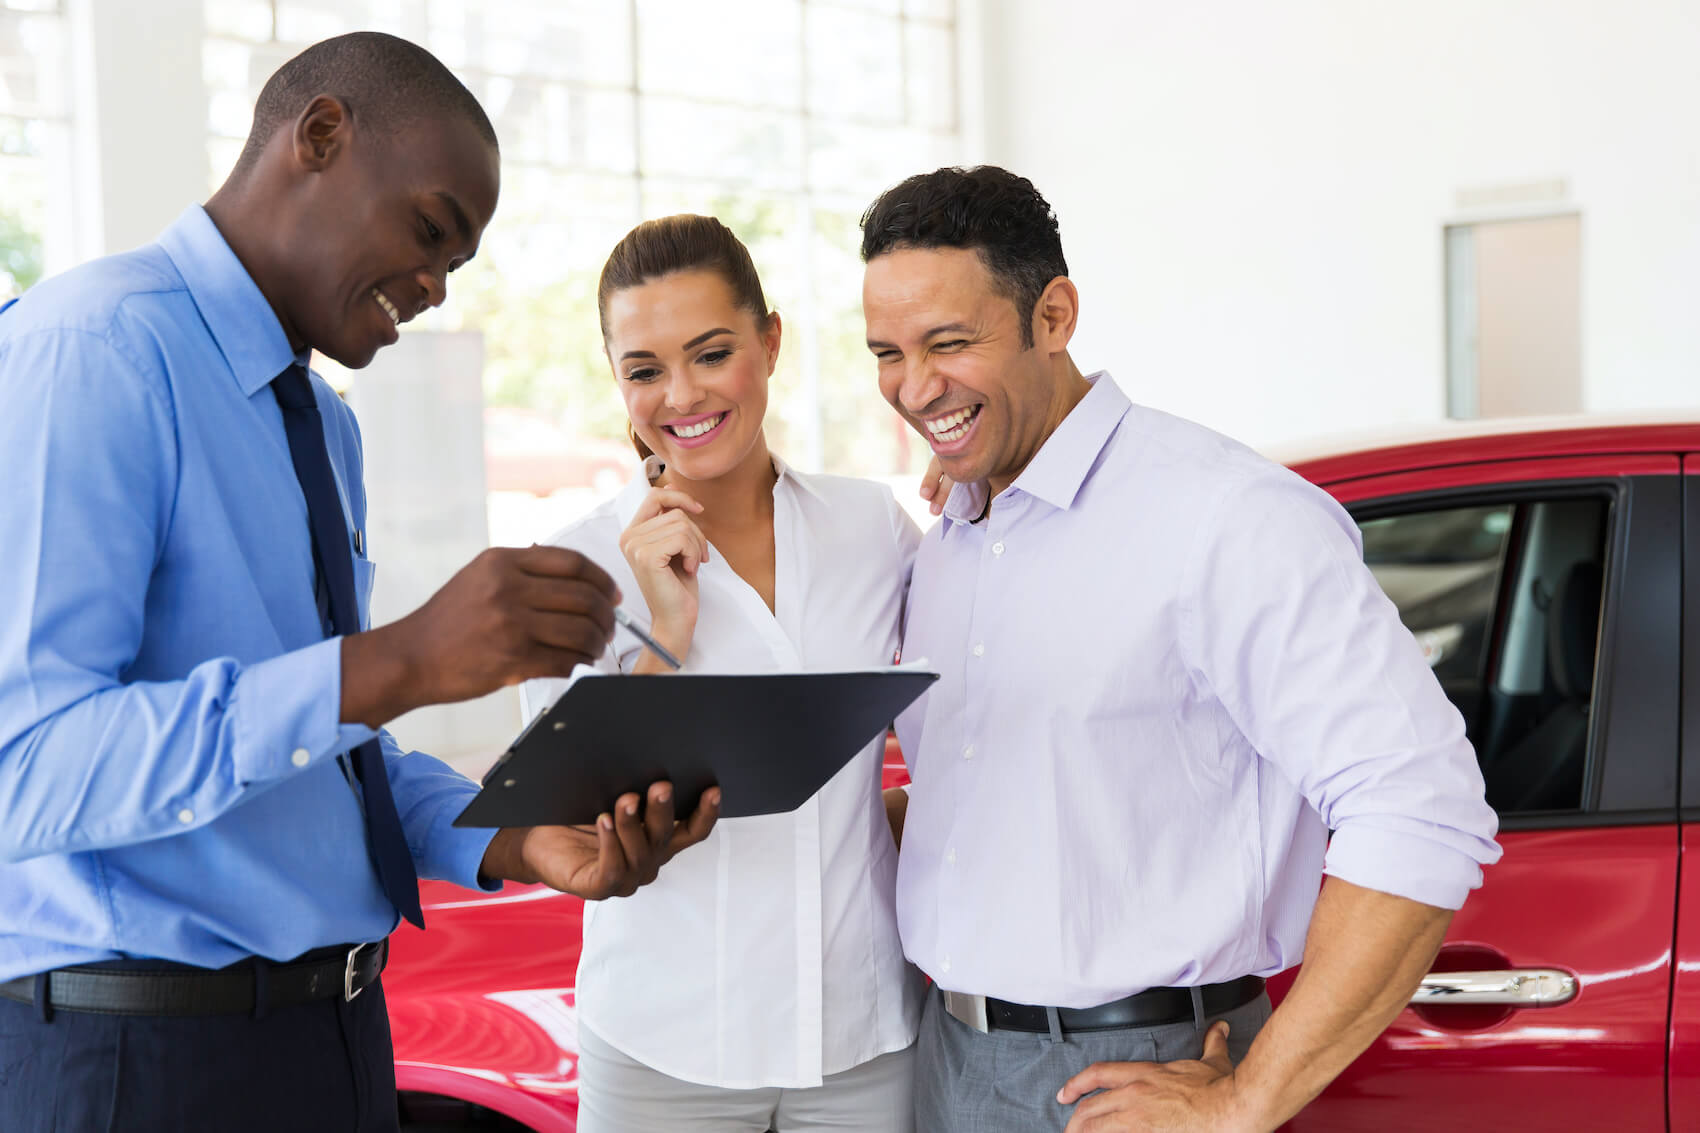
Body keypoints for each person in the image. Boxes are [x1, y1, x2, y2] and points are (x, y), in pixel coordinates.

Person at [0, 33, 716, 1133]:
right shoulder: (93, 350)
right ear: (321, 136)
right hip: (140, 1060)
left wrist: (510, 836)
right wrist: (400, 661)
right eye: (430, 231)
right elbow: (26, 769)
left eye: (456, 263)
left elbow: (324, 754)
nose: (434, 287)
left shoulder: (324, 428)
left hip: (333, 1038)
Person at [859, 165, 1503, 1133]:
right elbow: (1003, 795)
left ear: (1052, 315)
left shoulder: (1225, 515)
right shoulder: (953, 533)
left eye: (948, 343)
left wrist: (1246, 1098)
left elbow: (1420, 806)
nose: (913, 388)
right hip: (947, 1060)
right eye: (887, 353)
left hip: (1133, 1074)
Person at [519, 214, 923, 1132]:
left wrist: (979, 493)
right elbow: (567, 814)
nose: (682, 395)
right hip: (665, 1044)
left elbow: (977, 691)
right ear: (616, 377)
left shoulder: (871, 529)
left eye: (711, 354)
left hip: (860, 1036)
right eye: (644, 369)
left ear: (769, 342)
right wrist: (665, 633)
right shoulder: (572, 569)